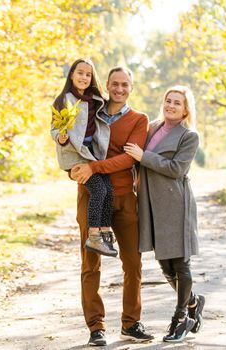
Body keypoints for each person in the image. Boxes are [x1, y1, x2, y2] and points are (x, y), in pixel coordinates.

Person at [71, 66, 153, 346]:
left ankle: (131, 324)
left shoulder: (139, 120)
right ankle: (96, 327)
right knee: (90, 264)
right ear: (106, 85)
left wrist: (93, 167)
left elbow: (128, 160)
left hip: (124, 198)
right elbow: (71, 147)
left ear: (132, 87)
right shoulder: (89, 111)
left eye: (125, 85)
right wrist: (75, 169)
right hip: (91, 196)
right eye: (115, 84)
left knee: (133, 263)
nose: (119, 89)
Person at [124, 85, 205, 343]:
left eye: (177, 103)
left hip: (175, 203)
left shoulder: (189, 136)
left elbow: (176, 169)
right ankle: (193, 301)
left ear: (185, 109)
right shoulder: (152, 127)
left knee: (180, 262)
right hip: (150, 202)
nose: (171, 105)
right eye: (168, 100)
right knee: (164, 263)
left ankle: (181, 318)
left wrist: (143, 156)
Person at [51, 58, 117, 257]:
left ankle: (105, 230)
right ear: (72, 74)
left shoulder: (95, 99)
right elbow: (54, 128)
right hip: (73, 154)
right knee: (98, 190)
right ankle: (94, 236)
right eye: (80, 73)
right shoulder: (64, 99)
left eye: (88, 74)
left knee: (109, 190)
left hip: (90, 153)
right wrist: (60, 137)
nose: (84, 77)